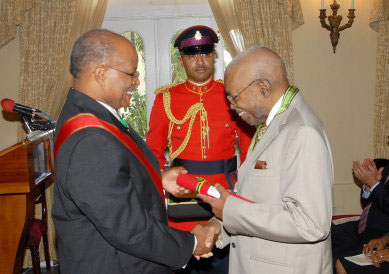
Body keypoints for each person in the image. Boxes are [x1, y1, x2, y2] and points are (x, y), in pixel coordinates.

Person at [52, 29, 213, 274]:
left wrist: (157, 178)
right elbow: (128, 228)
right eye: (131, 73)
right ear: (101, 74)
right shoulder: (90, 138)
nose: (136, 81)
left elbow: (110, 182)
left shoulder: (94, 115)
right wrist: (191, 244)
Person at [198, 46, 334, 273]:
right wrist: (219, 223)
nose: (232, 106)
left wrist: (230, 209)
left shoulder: (302, 130)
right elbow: (260, 199)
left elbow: (310, 224)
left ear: (263, 87)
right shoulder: (273, 124)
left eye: (234, 96)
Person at [146, 25, 253, 273]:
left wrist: (245, 194)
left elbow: (249, 152)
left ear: (214, 55)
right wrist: (162, 184)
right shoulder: (166, 99)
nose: (200, 60)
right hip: (182, 195)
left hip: (224, 196)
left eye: (205, 52)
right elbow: (152, 151)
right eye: (192, 54)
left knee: (226, 266)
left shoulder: (231, 96)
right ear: (182, 59)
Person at [332, 158, 389, 273]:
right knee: (325, 237)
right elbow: (371, 202)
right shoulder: (386, 168)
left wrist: (373, 184)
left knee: (340, 261)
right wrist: (368, 187)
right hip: (363, 226)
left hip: (379, 232)